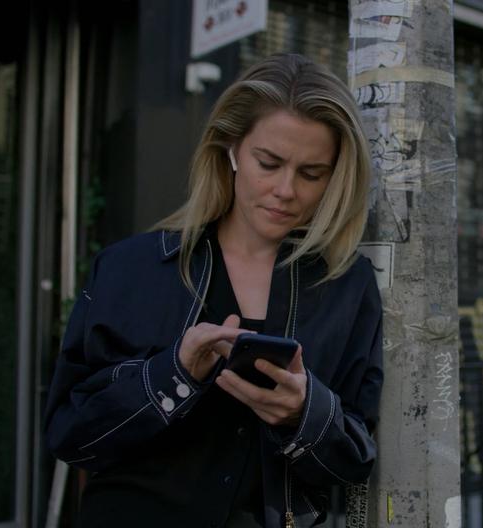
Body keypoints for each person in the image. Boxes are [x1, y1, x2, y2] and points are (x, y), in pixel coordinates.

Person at [45, 54, 384, 528]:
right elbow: (69, 434)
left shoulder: (347, 287)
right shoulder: (130, 268)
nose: (286, 190)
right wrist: (173, 374)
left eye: (311, 173)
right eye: (269, 162)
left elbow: (353, 463)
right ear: (230, 150)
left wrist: (303, 414)